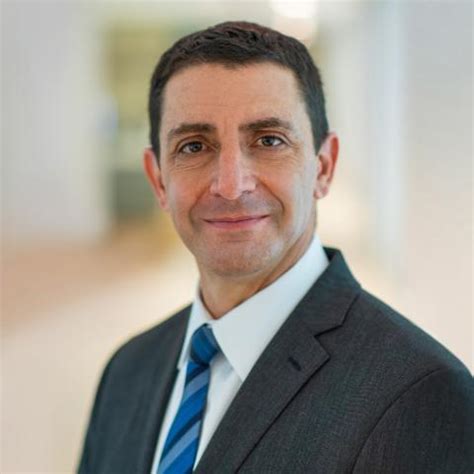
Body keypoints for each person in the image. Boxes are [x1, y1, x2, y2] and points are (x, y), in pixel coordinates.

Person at [78, 21, 473, 474]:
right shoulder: (127, 371)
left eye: (269, 141)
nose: (231, 185)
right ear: (158, 180)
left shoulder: (422, 395)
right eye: (194, 146)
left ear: (323, 167)